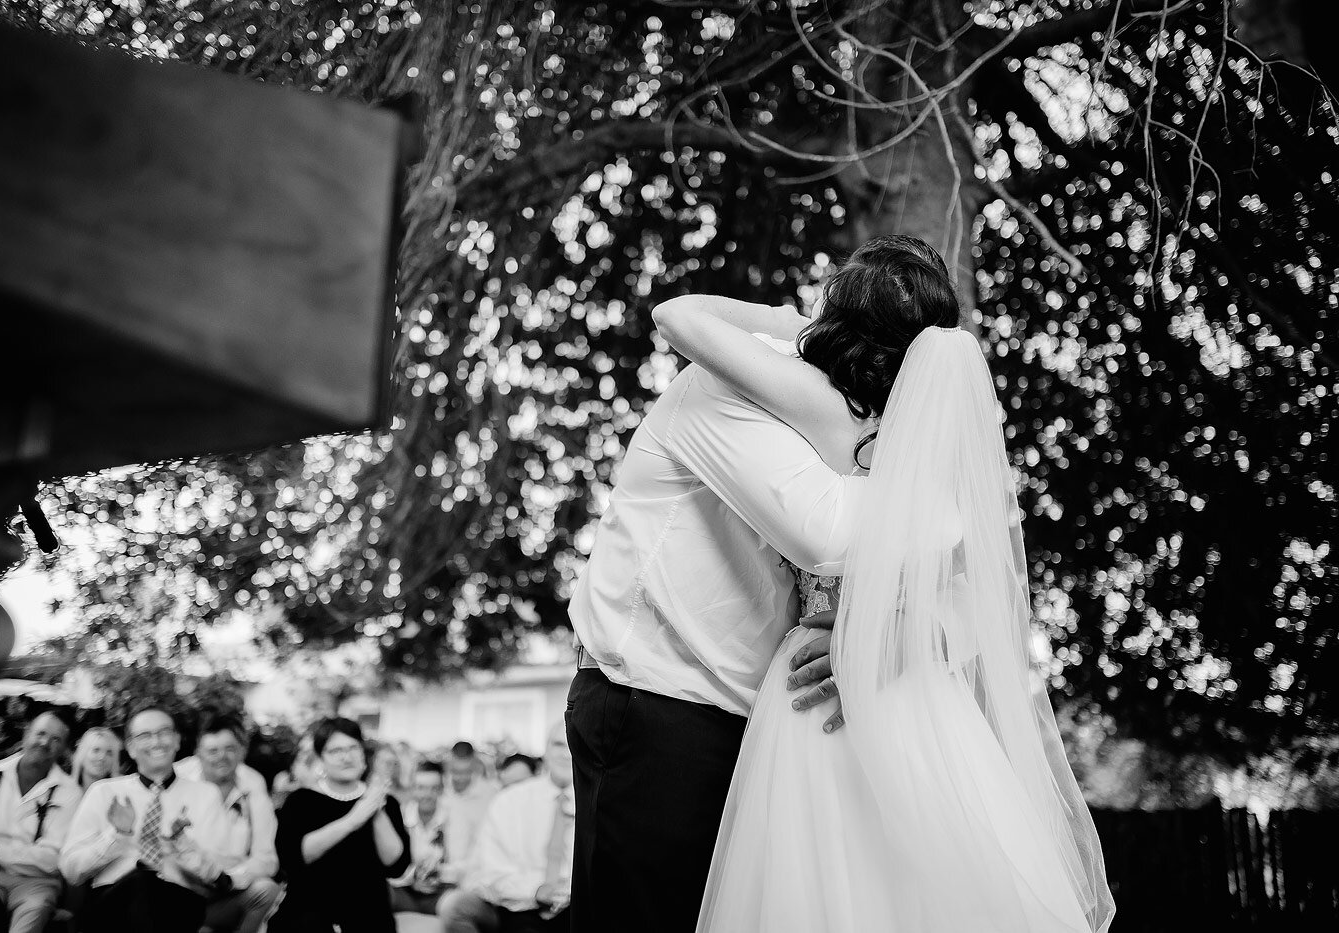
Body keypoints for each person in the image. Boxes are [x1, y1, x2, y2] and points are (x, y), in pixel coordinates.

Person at [653, 236, 1115, 932]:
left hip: (817, 684)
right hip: (923, 697)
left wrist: (785, 322)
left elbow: (678, 316)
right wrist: (912, 634)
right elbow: (983, 595)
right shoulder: (951, 458)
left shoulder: (824, 410)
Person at [565, 277, 856, 930]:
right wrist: (791, 323)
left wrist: (873, 630)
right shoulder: (725, 386)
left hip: (750, 719)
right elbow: (825, 535)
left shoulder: (852, 429)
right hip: (657, 701)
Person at [60, 705, 232, 933]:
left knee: (151, 888)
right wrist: (116, 836)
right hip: (113, 901)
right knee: (141, 883)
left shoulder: (205, 795)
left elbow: (219, 875)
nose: (156, 742)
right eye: (145, 735)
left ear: (177, 741)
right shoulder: (104, 792)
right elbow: (71, 870)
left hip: (179, 902)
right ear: (130, 748)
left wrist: (183, 846)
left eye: (164, 733)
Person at [270, 717, 410, 933]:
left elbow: (396, 864)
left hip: (369, 915)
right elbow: (292, 858)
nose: (346, 757)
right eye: (335, 751)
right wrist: (352, 820)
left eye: (353, 748)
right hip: (309, 915)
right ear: (320, 758)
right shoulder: (301, 801)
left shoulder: (385, 802)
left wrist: (375, 808)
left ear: (363, 754)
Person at [437, 723, 573, 933]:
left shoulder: (604, 804)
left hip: (578, 909)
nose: (566, 753)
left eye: (573, 744)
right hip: (519, 905)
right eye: (558, 744)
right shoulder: (510, 801)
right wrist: (536, 889)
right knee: (454, 905)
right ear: (546, 749)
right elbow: (491, 871)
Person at [0, 710, 83, 933]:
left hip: (35, 882)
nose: (45, 742)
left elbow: (52, 858)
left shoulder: (70, 793)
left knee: (34, 909)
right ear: (26, 734)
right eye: (40, 733)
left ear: (62, 749)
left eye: (55, 739)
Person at [192, 715, 282, 933]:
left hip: (230, 889)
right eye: (212, 751)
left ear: (242, 751)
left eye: (230, 748)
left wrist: (231, 879)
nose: (222, 757)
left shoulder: (253, 784)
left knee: (267, 889)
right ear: (198, 754)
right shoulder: (181, 779)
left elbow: (267, 860)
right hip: (185, 889)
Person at [389, 760, 450, 915]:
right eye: (421, 788)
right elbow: (389, 866)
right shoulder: (399, 817)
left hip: (441, 894)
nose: (427, 795)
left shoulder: (453, 819)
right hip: (405, 891)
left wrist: (439, 874)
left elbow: (465, 864)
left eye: (434, 788)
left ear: (442, 789)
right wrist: (413, 878)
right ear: (412, 789)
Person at [441, 741, 497, 872]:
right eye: (455, 772)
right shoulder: (440, 790)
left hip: (475, 873)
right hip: (442, 872)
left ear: (474, 765)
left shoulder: (489, 794)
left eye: (465, 772)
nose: (460, 778)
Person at [71, 727, 123, 791]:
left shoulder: (121, 791)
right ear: (82, 754)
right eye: (96, 750)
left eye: (109, 753)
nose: (102, 757)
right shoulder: (63, 789)